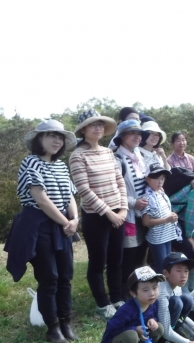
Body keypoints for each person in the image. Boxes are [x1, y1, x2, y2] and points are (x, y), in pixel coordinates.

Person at [5, 119, 79, 343]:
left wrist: (75, 218)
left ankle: (66, 321)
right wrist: (66, 221)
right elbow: (41, 199)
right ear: (39, 139)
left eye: (60, 137)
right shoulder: (31, 162)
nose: (57, 141)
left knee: (66, 275)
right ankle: (53, 327)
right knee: (49, 278)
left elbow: (70, 196)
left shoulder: (61, 165)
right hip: (38, 225)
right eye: (51, 136)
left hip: (62, 225)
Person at [68, 109, 127, 320]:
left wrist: (123, 209)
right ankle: (103, 304)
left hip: (118, 214)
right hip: (96, 217)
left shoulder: (108, 152)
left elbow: (119, 181)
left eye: (100, 125)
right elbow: (84, 190)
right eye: (93, 125)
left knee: (116, 259)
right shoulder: (77, 155)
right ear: (83, 129)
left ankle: (117, 298)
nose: (97, 128)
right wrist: (110, 213)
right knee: (97, 262)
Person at [101, 267, 165, 343]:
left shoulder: (152, 303)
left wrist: (152, 320)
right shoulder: (127, 310)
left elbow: (152, 315)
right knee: (131, 336)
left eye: (155, 288)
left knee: (159, 328)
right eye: (145, 290)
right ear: (133, 293)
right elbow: (112, 329)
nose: (152, 293)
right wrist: (135, 329)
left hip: (137, 338)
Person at [112, 120, 152, 299]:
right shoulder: (117, 158)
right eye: (132, 133)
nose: (137, 137)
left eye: (140, 134)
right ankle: (124, 292)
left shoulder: (140, 156)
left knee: (141, 252)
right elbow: (114, 189)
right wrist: (132, 202)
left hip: (143, 213)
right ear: (122, 137)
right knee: (128, 254)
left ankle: (138, 289)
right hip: (128, 214)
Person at [155, 253, 194, 343]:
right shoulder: (161, 291)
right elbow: (166, 330)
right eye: (178, 270)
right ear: (165, 273)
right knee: (177, 302)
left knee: (188, 299)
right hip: (155, 329)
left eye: (186, 271)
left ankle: (177, 336)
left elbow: (182, 317)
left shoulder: (176, 286)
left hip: (168, 326)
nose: (184, 275)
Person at [141, 163, 180, 276]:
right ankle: (159, 289)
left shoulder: (161, 193)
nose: (160, 182)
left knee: (168, 263)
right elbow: (146, 222)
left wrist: (172, 216)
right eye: (156, 179)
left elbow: (165, 212)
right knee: (161, 265)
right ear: (148, 179)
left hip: (167, 234)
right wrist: (166, 220)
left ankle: (167, 287)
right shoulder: (148, 198)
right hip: (157, 238)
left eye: (162, 179)